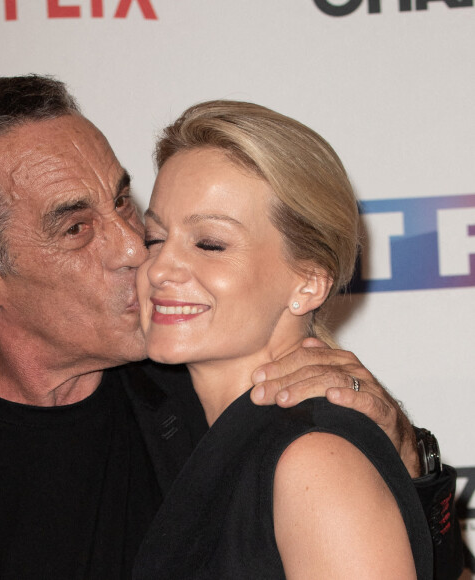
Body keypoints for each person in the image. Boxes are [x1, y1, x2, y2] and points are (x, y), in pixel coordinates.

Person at [0, 76, 461, 579]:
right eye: (75, 227)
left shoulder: (221, 393)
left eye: (122, 201)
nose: (134, 249)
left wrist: (404, 466)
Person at [133, 100, 462, 579]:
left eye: (210, 244)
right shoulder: (187, 430)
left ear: (308, 282)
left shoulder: (314, 460)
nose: (159, 269)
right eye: (154, 238)